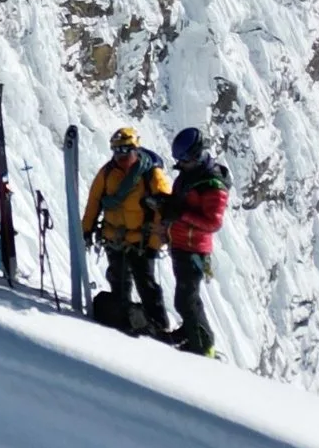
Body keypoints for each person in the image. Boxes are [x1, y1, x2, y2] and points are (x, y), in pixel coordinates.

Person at [80, 125, 171, 338]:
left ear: (135, 149)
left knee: (145, 283)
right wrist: (87, 228)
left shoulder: (152, 175)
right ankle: (126, 317)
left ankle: (158, 324)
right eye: (117, 151)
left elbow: (165, 210)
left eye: (125, 151)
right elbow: (94, 202)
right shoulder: (107, 173)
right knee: (118, 280)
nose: (121, 156)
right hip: (114, 238)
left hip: (142, 241)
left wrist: (154, 244)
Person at [165, 125, 232, 355]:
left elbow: (213, 222)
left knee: (186, 299)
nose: (179, 164)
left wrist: (180, 214)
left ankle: (204, 345)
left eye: (182, 159)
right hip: (181, 244)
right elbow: (181, 203)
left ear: (194, 156)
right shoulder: (189, 175)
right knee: (186, 297)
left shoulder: (213, 184)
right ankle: (190, 331)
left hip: (194, 249)